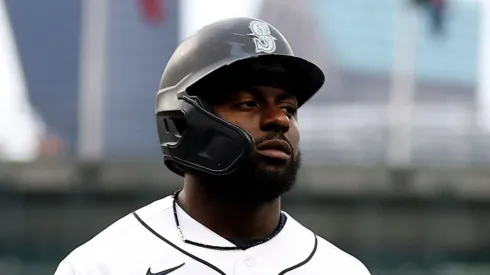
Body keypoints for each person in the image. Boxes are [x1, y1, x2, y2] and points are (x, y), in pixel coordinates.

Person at [54, 17, 371, 275]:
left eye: (289, 108)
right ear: (181, 119)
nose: (280, 120)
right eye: (249, 103)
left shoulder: (340, 269)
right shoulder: (103, 266)